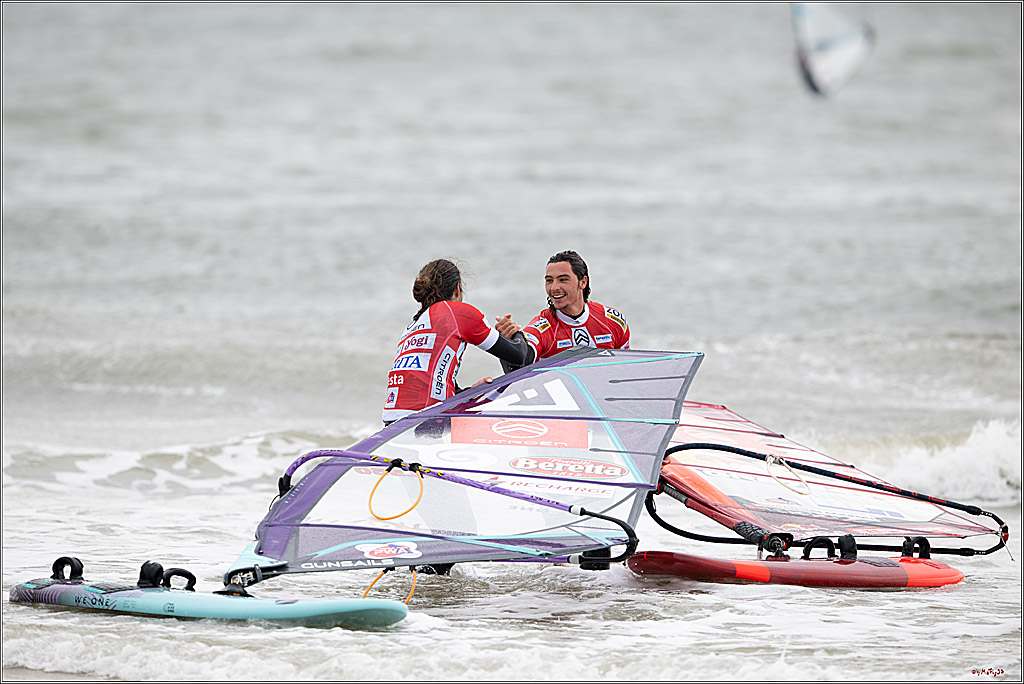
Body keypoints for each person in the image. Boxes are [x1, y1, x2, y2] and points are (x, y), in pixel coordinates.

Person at [382, 258, 530, 425]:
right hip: (426, 420)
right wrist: (516, 332)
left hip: (391, 423)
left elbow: (433, 382)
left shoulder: (412, 327)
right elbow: (518, 355)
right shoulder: (457, 312)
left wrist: (470, 392)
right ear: (457, 289)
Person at [494, 250, 629, 372]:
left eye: (563, 280)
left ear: (583, 282)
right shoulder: (542, 327)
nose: (554, 288)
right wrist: (508, 343)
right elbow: (522, 360)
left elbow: (626, 369)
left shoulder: (613, 320)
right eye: (549, 281)